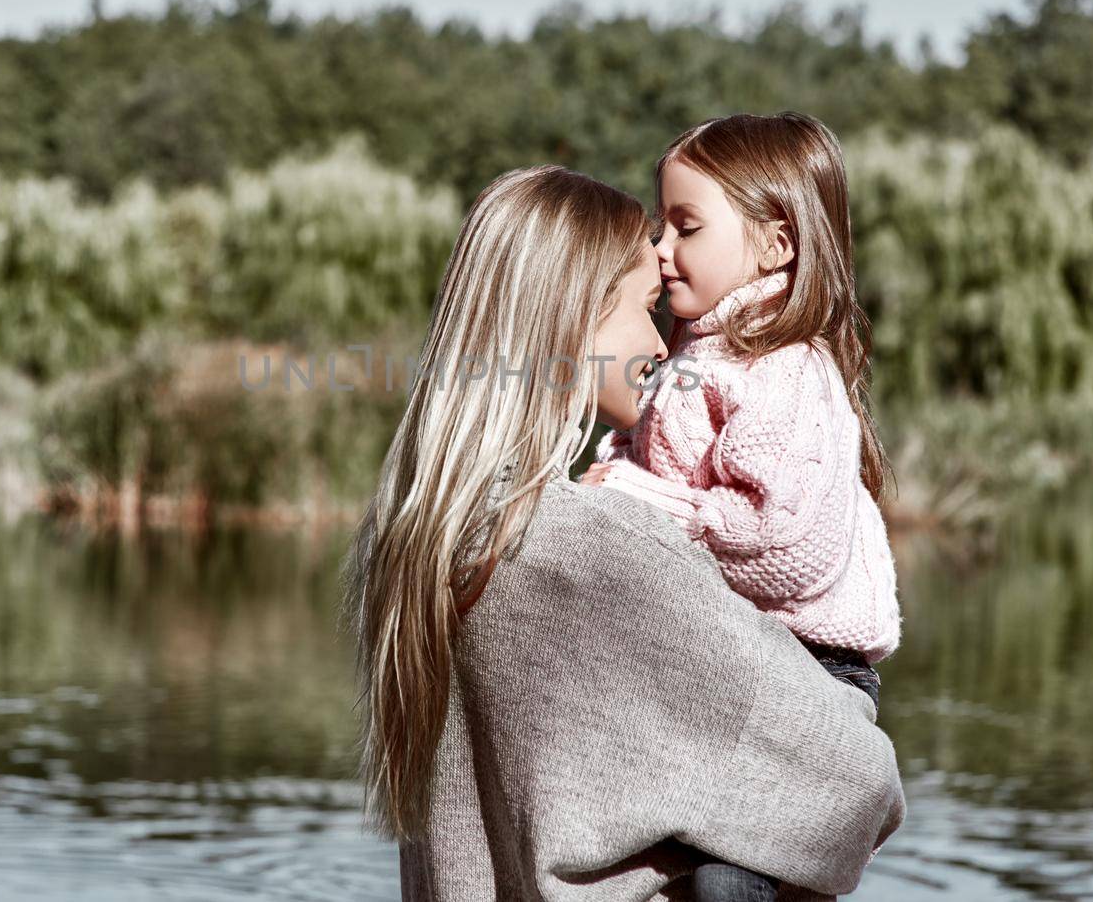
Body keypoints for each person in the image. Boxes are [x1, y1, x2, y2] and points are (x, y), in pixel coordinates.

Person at [340, 163, 905, 900]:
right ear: (574, 322)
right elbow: (858, 778)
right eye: (645, 309)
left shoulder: (418, 536)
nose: (664, 344)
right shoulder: (598, 545)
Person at [580, 114, 903, 902]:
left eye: (686, 226)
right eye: (662, 224)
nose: (661, 248)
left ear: (775, 244)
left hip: (810, 678)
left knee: (730, 879)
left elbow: (779, 541)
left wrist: (628, 500)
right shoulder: (697, 356)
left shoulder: (782, 367)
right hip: (723, 666)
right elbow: (652, 469)